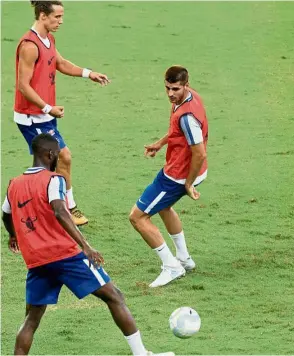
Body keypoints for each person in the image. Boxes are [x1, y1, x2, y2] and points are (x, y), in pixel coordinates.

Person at [1, 133, 174, 356]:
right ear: (50, 154)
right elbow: (61, 211)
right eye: (56, 155)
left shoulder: (14, 184)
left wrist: (13, 235)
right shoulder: (53, 180)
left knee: (32, 318)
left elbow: (5, 214)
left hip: (36, 261)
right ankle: (141, 354)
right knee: (114, 296)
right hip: (66, 256)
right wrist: (85, 245)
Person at [14, 1, 111, 226]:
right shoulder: (29, 46)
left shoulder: (48, 39)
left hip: (44, 116)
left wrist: (89, 74)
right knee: (61, 157)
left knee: (46, 165)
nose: (61, 21)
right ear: (42, 15)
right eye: (57, 17)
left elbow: (60, 62)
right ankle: (66, 207)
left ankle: (39, 208)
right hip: (32, 117)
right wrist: (48, 108)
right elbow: (23, 86)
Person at [129, 66, 208, 288]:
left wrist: (188, 183)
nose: (170, 94)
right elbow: (177, 133)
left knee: (137, 217)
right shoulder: (189, 99)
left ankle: (172, 267)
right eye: (167, 88)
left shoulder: (187, 116)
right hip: (184, 170)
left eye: (175, 89)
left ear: (186, 84)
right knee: (164, 207)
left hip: (178, 175)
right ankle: (183, 258)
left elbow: (200, 153)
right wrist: (160, 143)